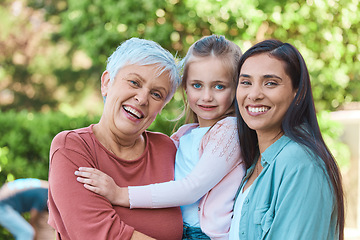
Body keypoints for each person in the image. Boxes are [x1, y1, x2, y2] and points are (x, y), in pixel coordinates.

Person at [75, 35, 245, 239]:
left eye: (219, 86)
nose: (206, 96)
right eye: (197, 85)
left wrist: (120, 193)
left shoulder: (229, 132)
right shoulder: (183, 135)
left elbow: (192, 189)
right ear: (185, 89)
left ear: (235, 89)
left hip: (206, 234)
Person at [47, 38, 184, 240]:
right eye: (134, 82)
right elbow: (102, 235)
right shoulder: (72, 148)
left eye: (156, 94)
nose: (142, 98)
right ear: (107, 83)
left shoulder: (168, 150)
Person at [229, 39, 344, 239]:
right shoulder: (255, 162)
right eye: (246, 82)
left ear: (297, 93)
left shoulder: (301, 163)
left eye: (270, 83)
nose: (254, 94)